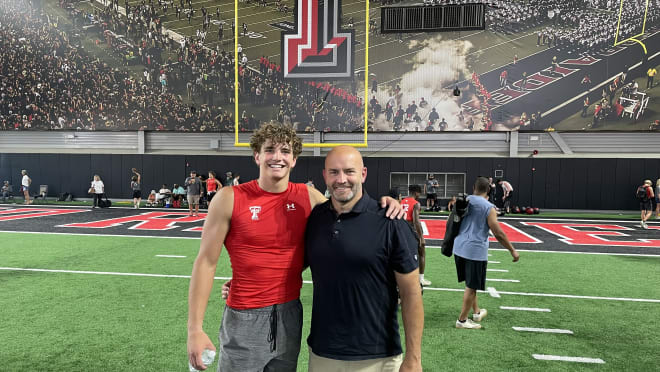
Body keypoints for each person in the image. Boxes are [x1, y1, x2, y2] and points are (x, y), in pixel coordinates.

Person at [187, 123, 403, 371]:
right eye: (269, 149)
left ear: (294, 159)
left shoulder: (308, 197)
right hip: (244, 314)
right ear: (257, 155)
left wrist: (383, 204)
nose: (277, 157)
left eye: (285, 151)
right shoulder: (229, 198)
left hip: (290, 313)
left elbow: (350, 209)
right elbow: (206, 262)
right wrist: (195, 328)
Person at [305, 146, 423, 371]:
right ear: (324, 176)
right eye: (334, 172)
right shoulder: (316, 219)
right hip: (323, 353)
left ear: (363, 174)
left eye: (349, 171)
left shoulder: (391, 221)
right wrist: (245, 282)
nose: (341, 179)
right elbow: (289, 265)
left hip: (377, 356)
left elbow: (411, 294)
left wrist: (414, 359)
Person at [454, 177, 519, 329]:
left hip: (459, 247)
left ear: (473, 187)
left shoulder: (463, 201)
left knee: (470, 283)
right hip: (475, 249)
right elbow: (498, 232)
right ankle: (462, 320)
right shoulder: (488, 207)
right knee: (472, 285)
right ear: (488, 190)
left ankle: (476, 312)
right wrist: (512, 250)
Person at [402, 185, 430, 286]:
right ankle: (420, 279)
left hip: (401, 229)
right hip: (412, 230)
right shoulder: (416, 204)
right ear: (417, 193)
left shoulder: (402, 201)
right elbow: (416, 221)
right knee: (421, 252)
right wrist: (421, 237)